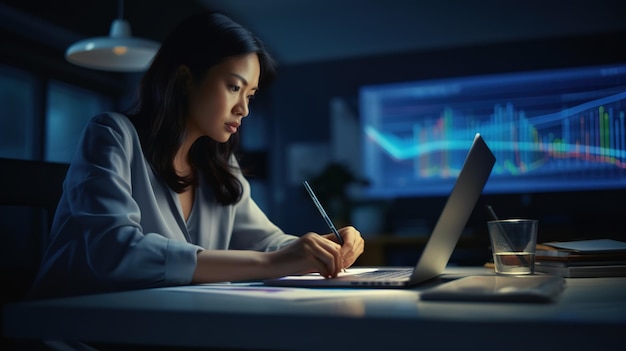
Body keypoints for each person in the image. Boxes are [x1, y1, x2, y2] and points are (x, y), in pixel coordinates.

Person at [28, 11, 364, 299]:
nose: (243, 109)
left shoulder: (219, 166)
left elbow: (267, 242)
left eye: (250, 94)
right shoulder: (112, 134)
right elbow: (115, 252)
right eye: (234, 87)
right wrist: (273, 263)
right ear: (186, 78)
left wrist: (322, 248)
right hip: (72, 329)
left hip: (161, 327)